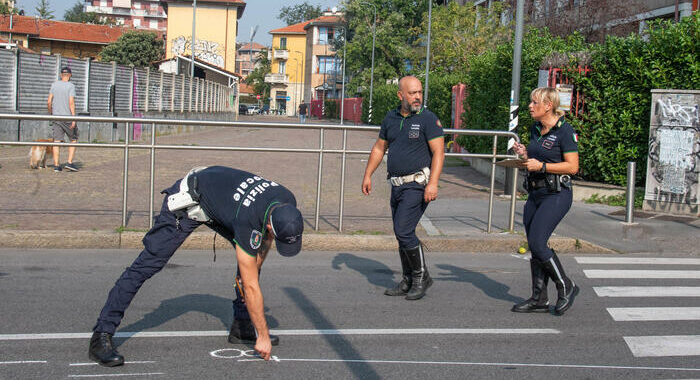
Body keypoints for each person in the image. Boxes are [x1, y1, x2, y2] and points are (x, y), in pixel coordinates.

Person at [88, 166, 304, 366]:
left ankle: (242, 325)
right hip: (191, 198)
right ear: (269, 223)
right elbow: (251, 285)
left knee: (249, 264)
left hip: (222, 200)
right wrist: (263, 335)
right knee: (148, 264)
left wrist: (254, 268)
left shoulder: (287, 199)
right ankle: (101, 335)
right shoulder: (249, 219)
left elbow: (262, 244)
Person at [361, 76, 444, 301]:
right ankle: (408, 279)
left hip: (417, 185)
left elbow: (439, 152)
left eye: (419, 92)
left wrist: (433, 183)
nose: (417, 97)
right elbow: (380, 148)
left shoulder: (428, 119)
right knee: (401, 233)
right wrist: (368, 174)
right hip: (396, 185)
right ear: (400, 95)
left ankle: (420, 277)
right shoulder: (391, 117)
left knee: (404, 231)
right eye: (412, 93)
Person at [511, 87, 580, 316]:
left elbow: (572, 166)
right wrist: (524, 155)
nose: (530, 106)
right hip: (536, 193)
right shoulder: (536, 128)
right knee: (534, 245)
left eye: (534, 102)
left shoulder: (564, 131)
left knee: (540, 243)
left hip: (557, 194)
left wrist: (541, 166)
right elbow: (536, 157)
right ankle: (539, 298)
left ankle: (566, 286)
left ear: (548, 105)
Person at [47, 66, 78, 172]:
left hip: (56, 117)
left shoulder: (54, 85)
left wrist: (51, 113)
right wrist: (74, 118)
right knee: (73, 139)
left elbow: (49, 101)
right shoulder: (71, 86)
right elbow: (71, 102)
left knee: (56, 141)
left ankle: (56, 165)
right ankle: (69, 162)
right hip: (67, 116)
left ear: (61, 75)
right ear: (70, 75)